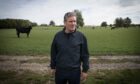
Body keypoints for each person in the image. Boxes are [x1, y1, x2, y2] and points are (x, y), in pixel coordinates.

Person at [50, 12, 89, 84]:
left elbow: (85, 55)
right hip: (60, 71)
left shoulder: (81, 36)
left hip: (75, 71)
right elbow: (53, 52)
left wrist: (85, 70)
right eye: (70, 21)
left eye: (74, 21)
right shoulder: (57, 36)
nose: (73, 23)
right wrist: (52, 67)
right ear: (65, 23)